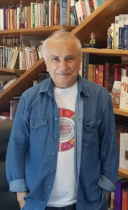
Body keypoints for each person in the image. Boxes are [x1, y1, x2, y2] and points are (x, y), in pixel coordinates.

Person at [6, 29, 119, 210]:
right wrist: (21, 194)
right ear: (46, 63)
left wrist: (105, 190)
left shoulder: (100, 97)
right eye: (56, 59)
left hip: (87, 202)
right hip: (39, 202)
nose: (63, 66)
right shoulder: (29, 98)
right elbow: (17, 147)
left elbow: (109, 147)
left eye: (70, 58)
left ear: (80, 61)